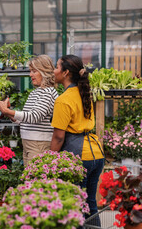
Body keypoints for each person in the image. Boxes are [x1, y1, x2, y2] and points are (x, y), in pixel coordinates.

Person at [50, 54, 105, 226]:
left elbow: (59, 137)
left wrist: (50, 159)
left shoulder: (63, 100)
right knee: (90, 204)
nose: (53, 71)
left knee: (75, 206)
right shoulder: (84, 93)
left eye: (56, 67)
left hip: (78, 157)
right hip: (96, 153)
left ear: (66, 73)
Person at [0, 55, 59, 166]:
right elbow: (26, 120)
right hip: (30, 142)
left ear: (44, 72)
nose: (30, 75)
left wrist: (7, 111)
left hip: (39, 144)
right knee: (30, 178)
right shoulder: (36, 92)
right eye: (30, 71)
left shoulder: (48, 92)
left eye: (34, 71)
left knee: (35, 180)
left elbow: (34, 116)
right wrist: (8, 112)